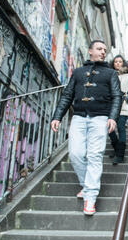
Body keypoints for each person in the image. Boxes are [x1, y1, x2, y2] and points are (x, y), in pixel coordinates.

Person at [51, 40, 122, 216]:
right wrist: (57, 116)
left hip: (100, 118)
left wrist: (113, 117)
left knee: (95, 155)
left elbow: (116, 96)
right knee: (75, 154)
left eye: (105, 50)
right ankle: (86, 184)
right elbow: (67, 95)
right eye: (99, 49)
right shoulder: (78, 72)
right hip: (79, 118)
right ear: (90, 51)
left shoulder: (111, 73)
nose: (103, 52)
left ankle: (90, 197)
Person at [108, 55, 128, 164]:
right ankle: (116, 148)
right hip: (110, 105)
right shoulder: (109, 74)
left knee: (121, 128)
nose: (117, 63)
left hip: (123, 105)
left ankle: (120, 155)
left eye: (120, 61)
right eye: (115, 61)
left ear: (123, 63)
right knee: (109, 129)